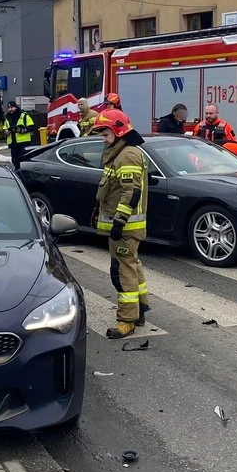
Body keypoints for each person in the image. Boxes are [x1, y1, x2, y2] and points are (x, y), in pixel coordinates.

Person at [91, 110, 151, 339]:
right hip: (124, 225)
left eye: (105, 134)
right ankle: (140, 309)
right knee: (132, 266)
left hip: (125, 228)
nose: (103, 139)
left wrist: (119, 222)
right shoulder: (119, 153)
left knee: (122, 271)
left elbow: (131, 193)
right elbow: (112, 189)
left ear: (118, 132)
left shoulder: (127, 155)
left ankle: (127, 320)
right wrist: (98, 209)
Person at [4, 100, 36, 164]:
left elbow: (32, 127)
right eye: (9, 108)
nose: (10, 109)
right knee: (15, 160)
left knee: (24, 160)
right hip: (13, 144)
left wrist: (22, 130)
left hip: (24, 143)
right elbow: (4, 129)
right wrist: (6, 132)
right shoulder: (7, 118)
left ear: (15, 107)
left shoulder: (24, 116)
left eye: (12, 107)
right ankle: (17, 172)